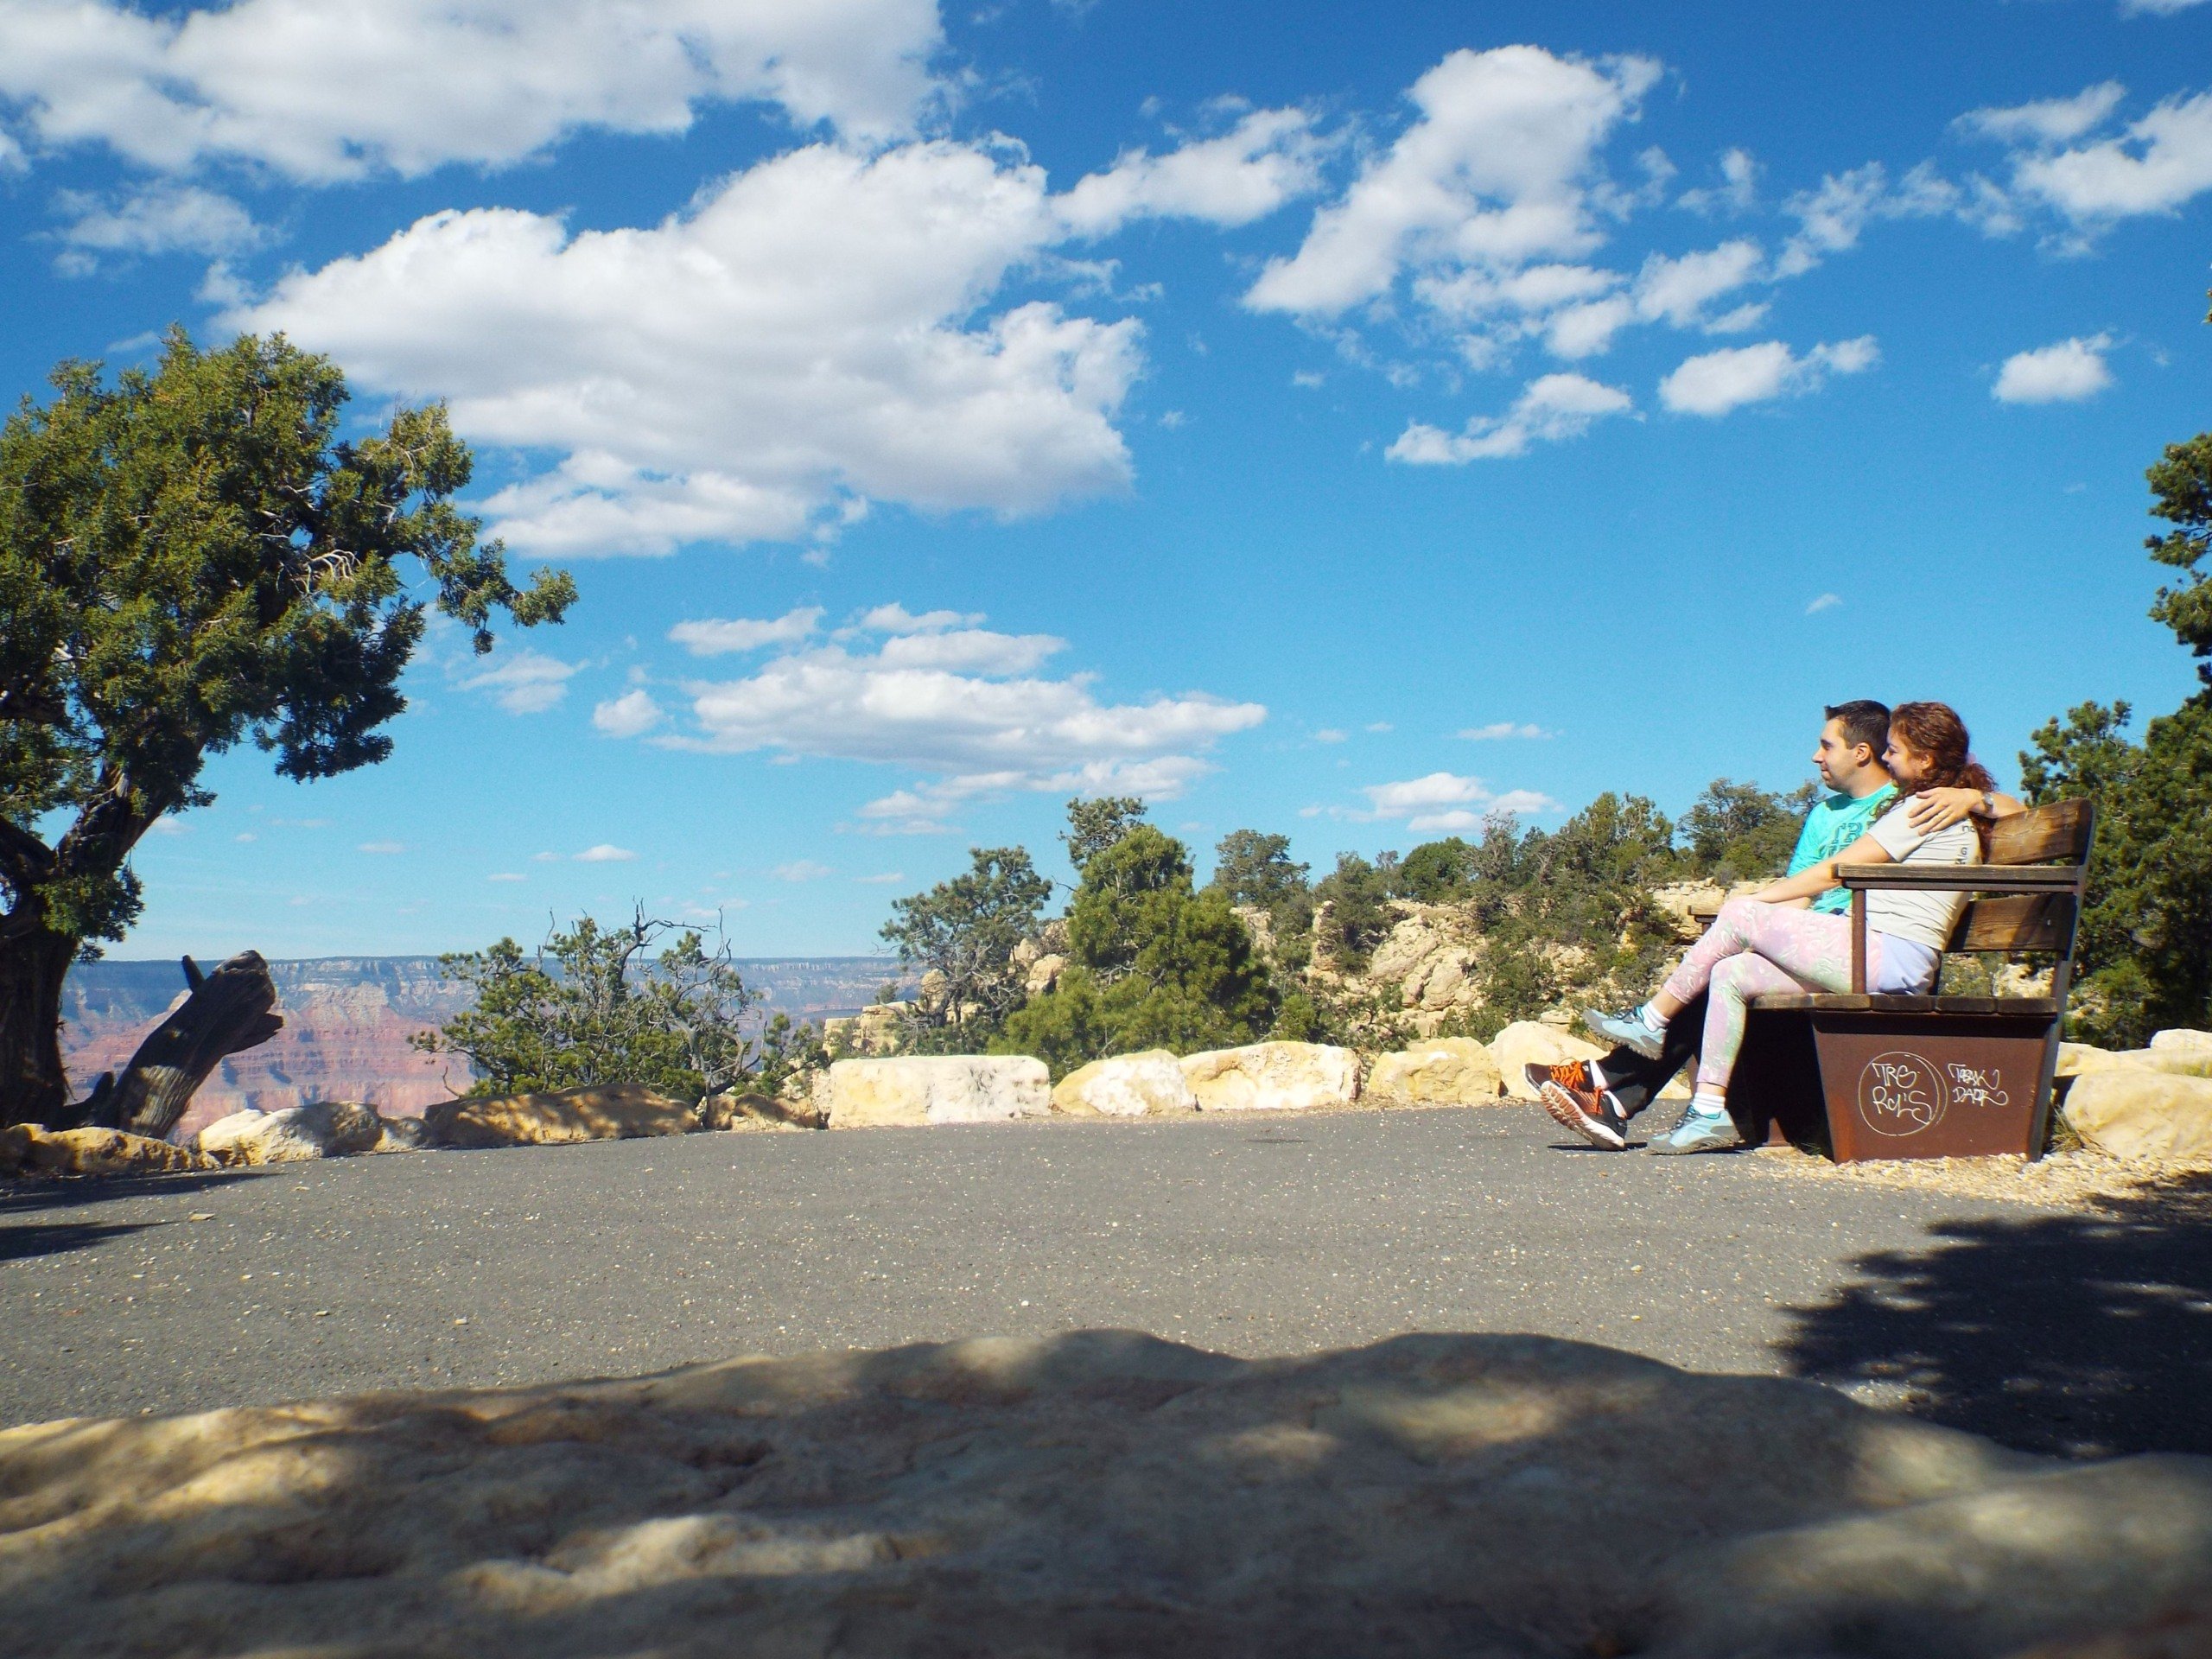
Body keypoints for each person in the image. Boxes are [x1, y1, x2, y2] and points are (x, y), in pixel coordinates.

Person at [1574, 701, 2025, 1154]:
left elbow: (1839, 869)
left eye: (1895, 751)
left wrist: (1754, 902)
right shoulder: (1948, 806)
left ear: (1925, 760)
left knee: (1741, 916)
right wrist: (1977, 797)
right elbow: (2015, 807)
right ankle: (1708, 1112)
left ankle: (1652, 1020)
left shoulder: (1923, 808)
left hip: (1887, 955)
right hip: (1883, 955)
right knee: (1734, 973)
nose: (1888, 759)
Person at [1532, 699, 1901, 1150]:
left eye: (1826, 745)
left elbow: (1993, 801)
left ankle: (1609, 1080)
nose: (1815, 756)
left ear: (1862, 752)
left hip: (1862, 947)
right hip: (1812, 942)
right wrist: (1765, 934)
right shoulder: (1825, 814)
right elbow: (1800, 891)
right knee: (1721, 965)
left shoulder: (1902, 804)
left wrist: (1971, 796)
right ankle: (1618, 1097)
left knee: (1727, 942)